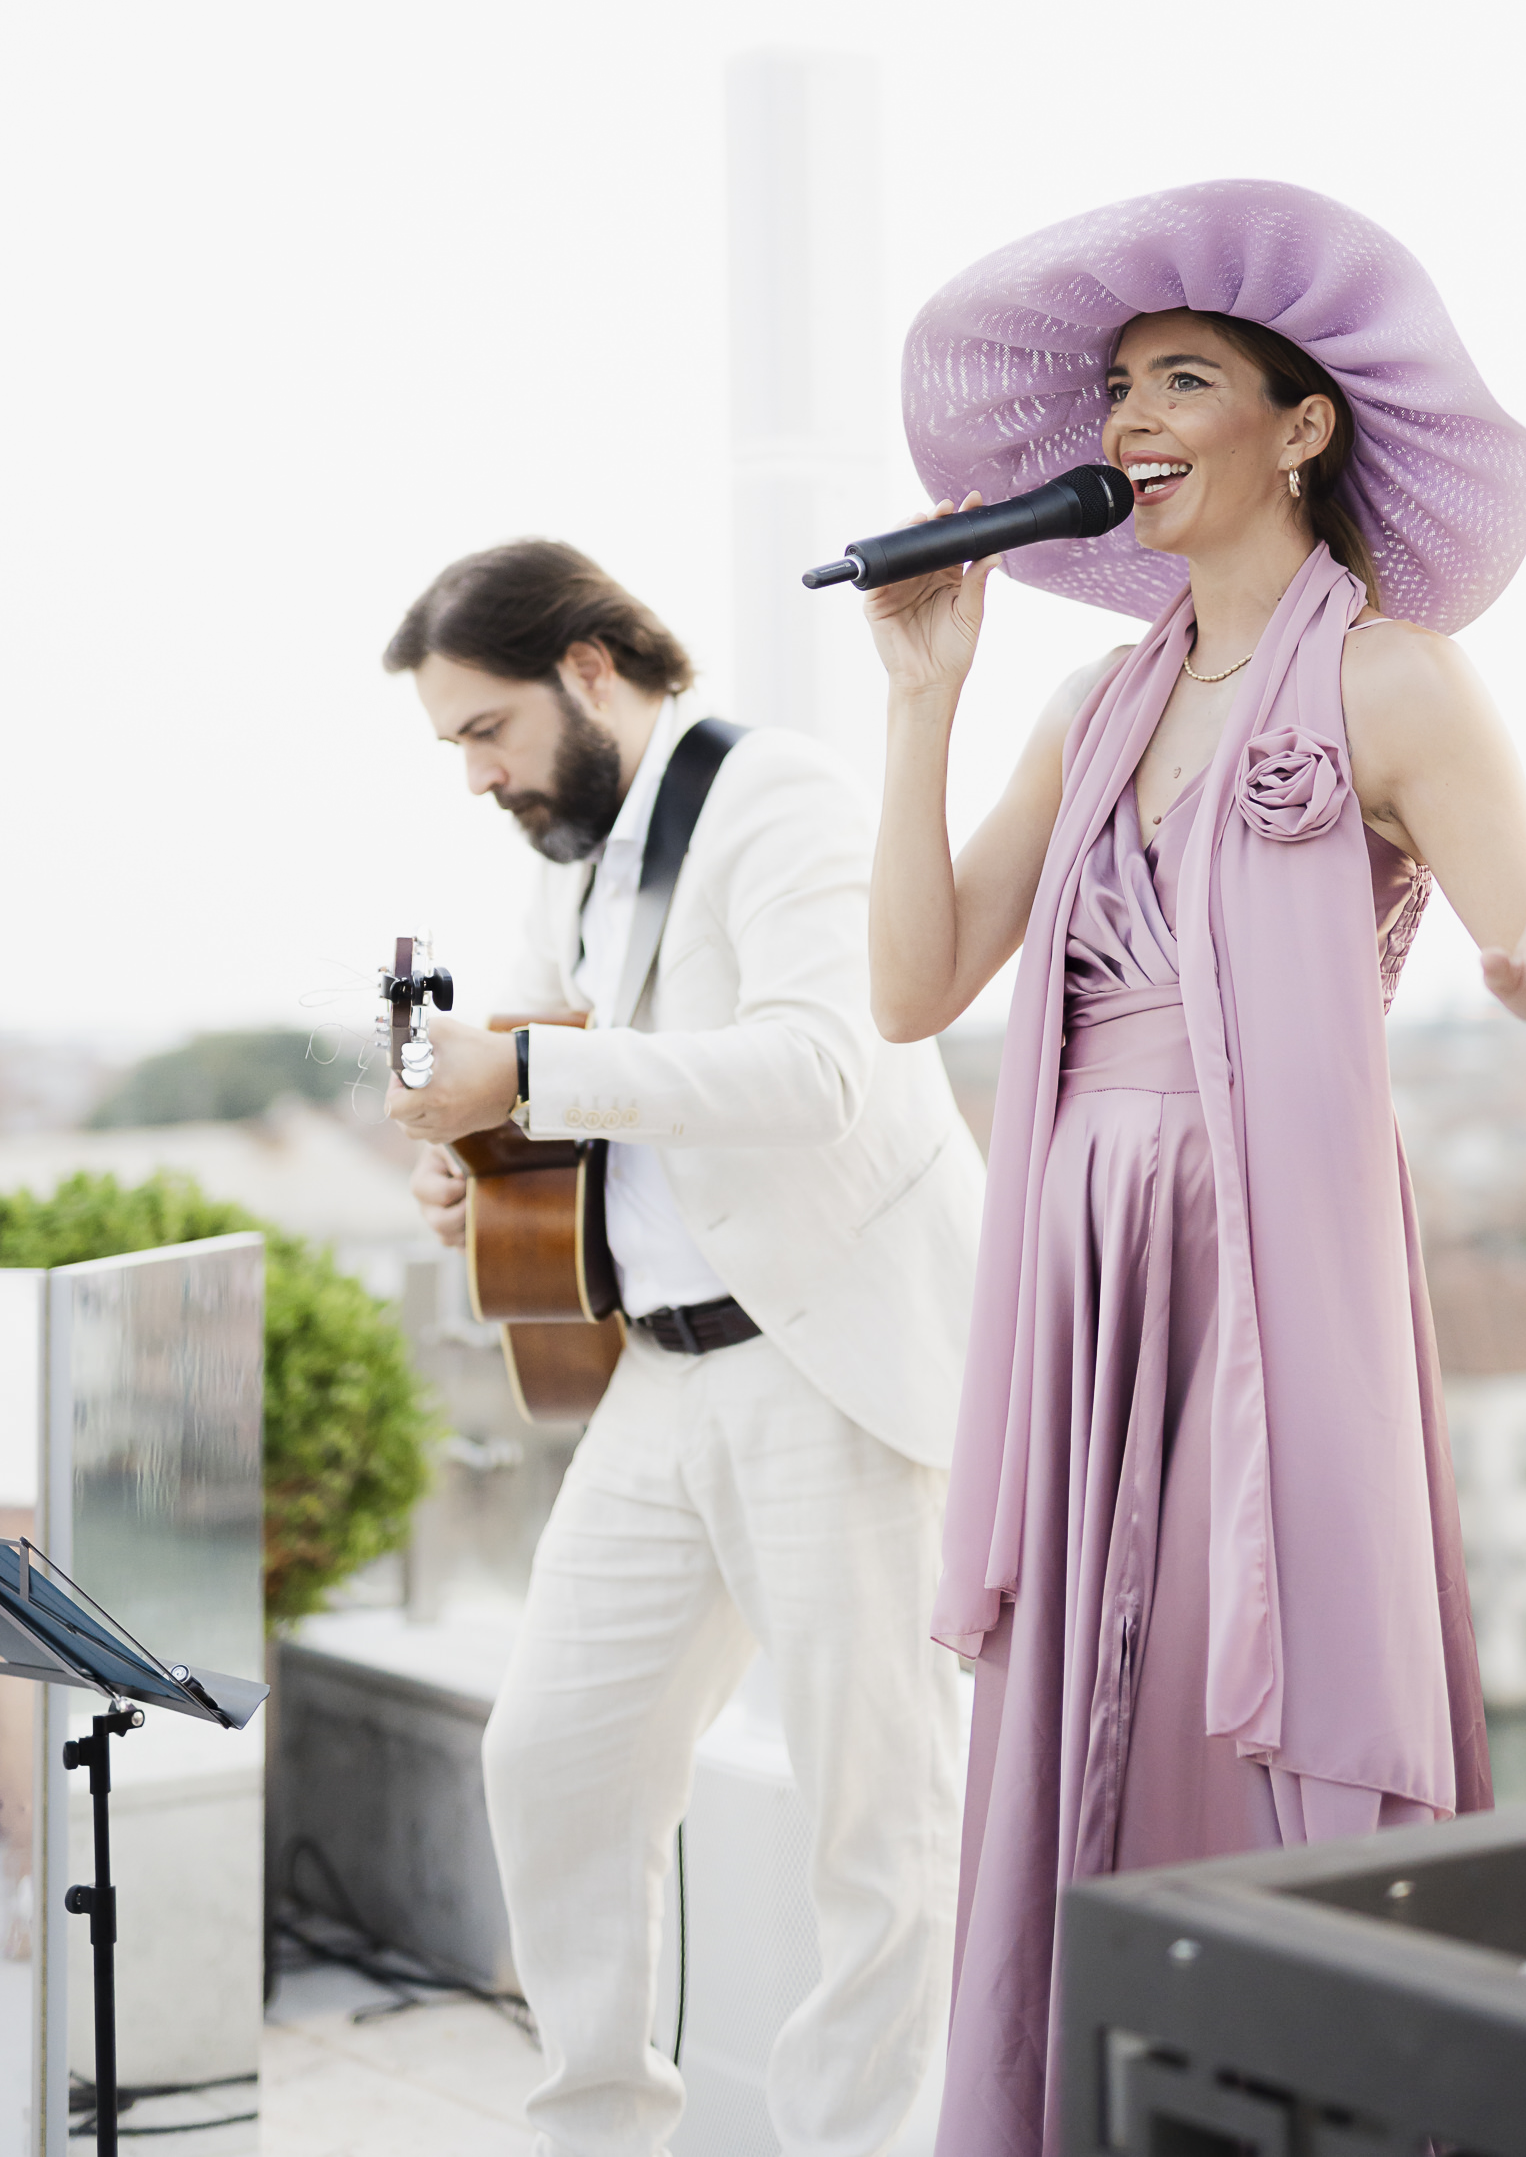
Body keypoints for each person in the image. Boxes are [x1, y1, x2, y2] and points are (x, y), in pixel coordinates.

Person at [863, 180, 1526, 2157]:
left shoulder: (1390, 681)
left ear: (1298, 424)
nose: (1126, 424)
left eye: (1180, 381)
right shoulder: (1092, 701)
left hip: (1268, 1285)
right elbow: (909, 987)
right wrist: (921, 694)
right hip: (1077, 1287)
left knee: (1262, 1698)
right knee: (1083, 1721)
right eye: (1115, 392)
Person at [379, 538, 983, 2157]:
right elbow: (530, 1083)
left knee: (881, 1827)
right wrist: (467, 1156)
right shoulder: (569, 860)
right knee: (554, 1762)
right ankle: (599, 2135)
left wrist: (525, 1083)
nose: (477, 776)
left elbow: (815, 1074)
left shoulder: (780, 799)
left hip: (829, 1363)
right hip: (656, 1374)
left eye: (484, 730)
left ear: (590, 668)